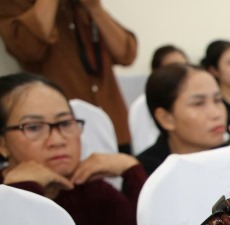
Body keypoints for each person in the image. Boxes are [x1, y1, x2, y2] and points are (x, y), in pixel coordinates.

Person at [0, 73, 145, 225]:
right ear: (2, 144)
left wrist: (131, 170)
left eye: (65, 123)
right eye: (33, 127)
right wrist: (19, 190)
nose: (58, 140)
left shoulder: (86, 186)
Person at [0, 0, 137, 150]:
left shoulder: (79, 4)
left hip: (114, 125)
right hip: (59, 135)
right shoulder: (13, 4)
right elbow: (28, 48)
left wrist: (95, 9)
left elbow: (126, 54)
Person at [138, 64, 230, 175]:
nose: (216, 114)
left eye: (218, 100)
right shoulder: (145, 172)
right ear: (166, 119)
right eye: (198, 103)